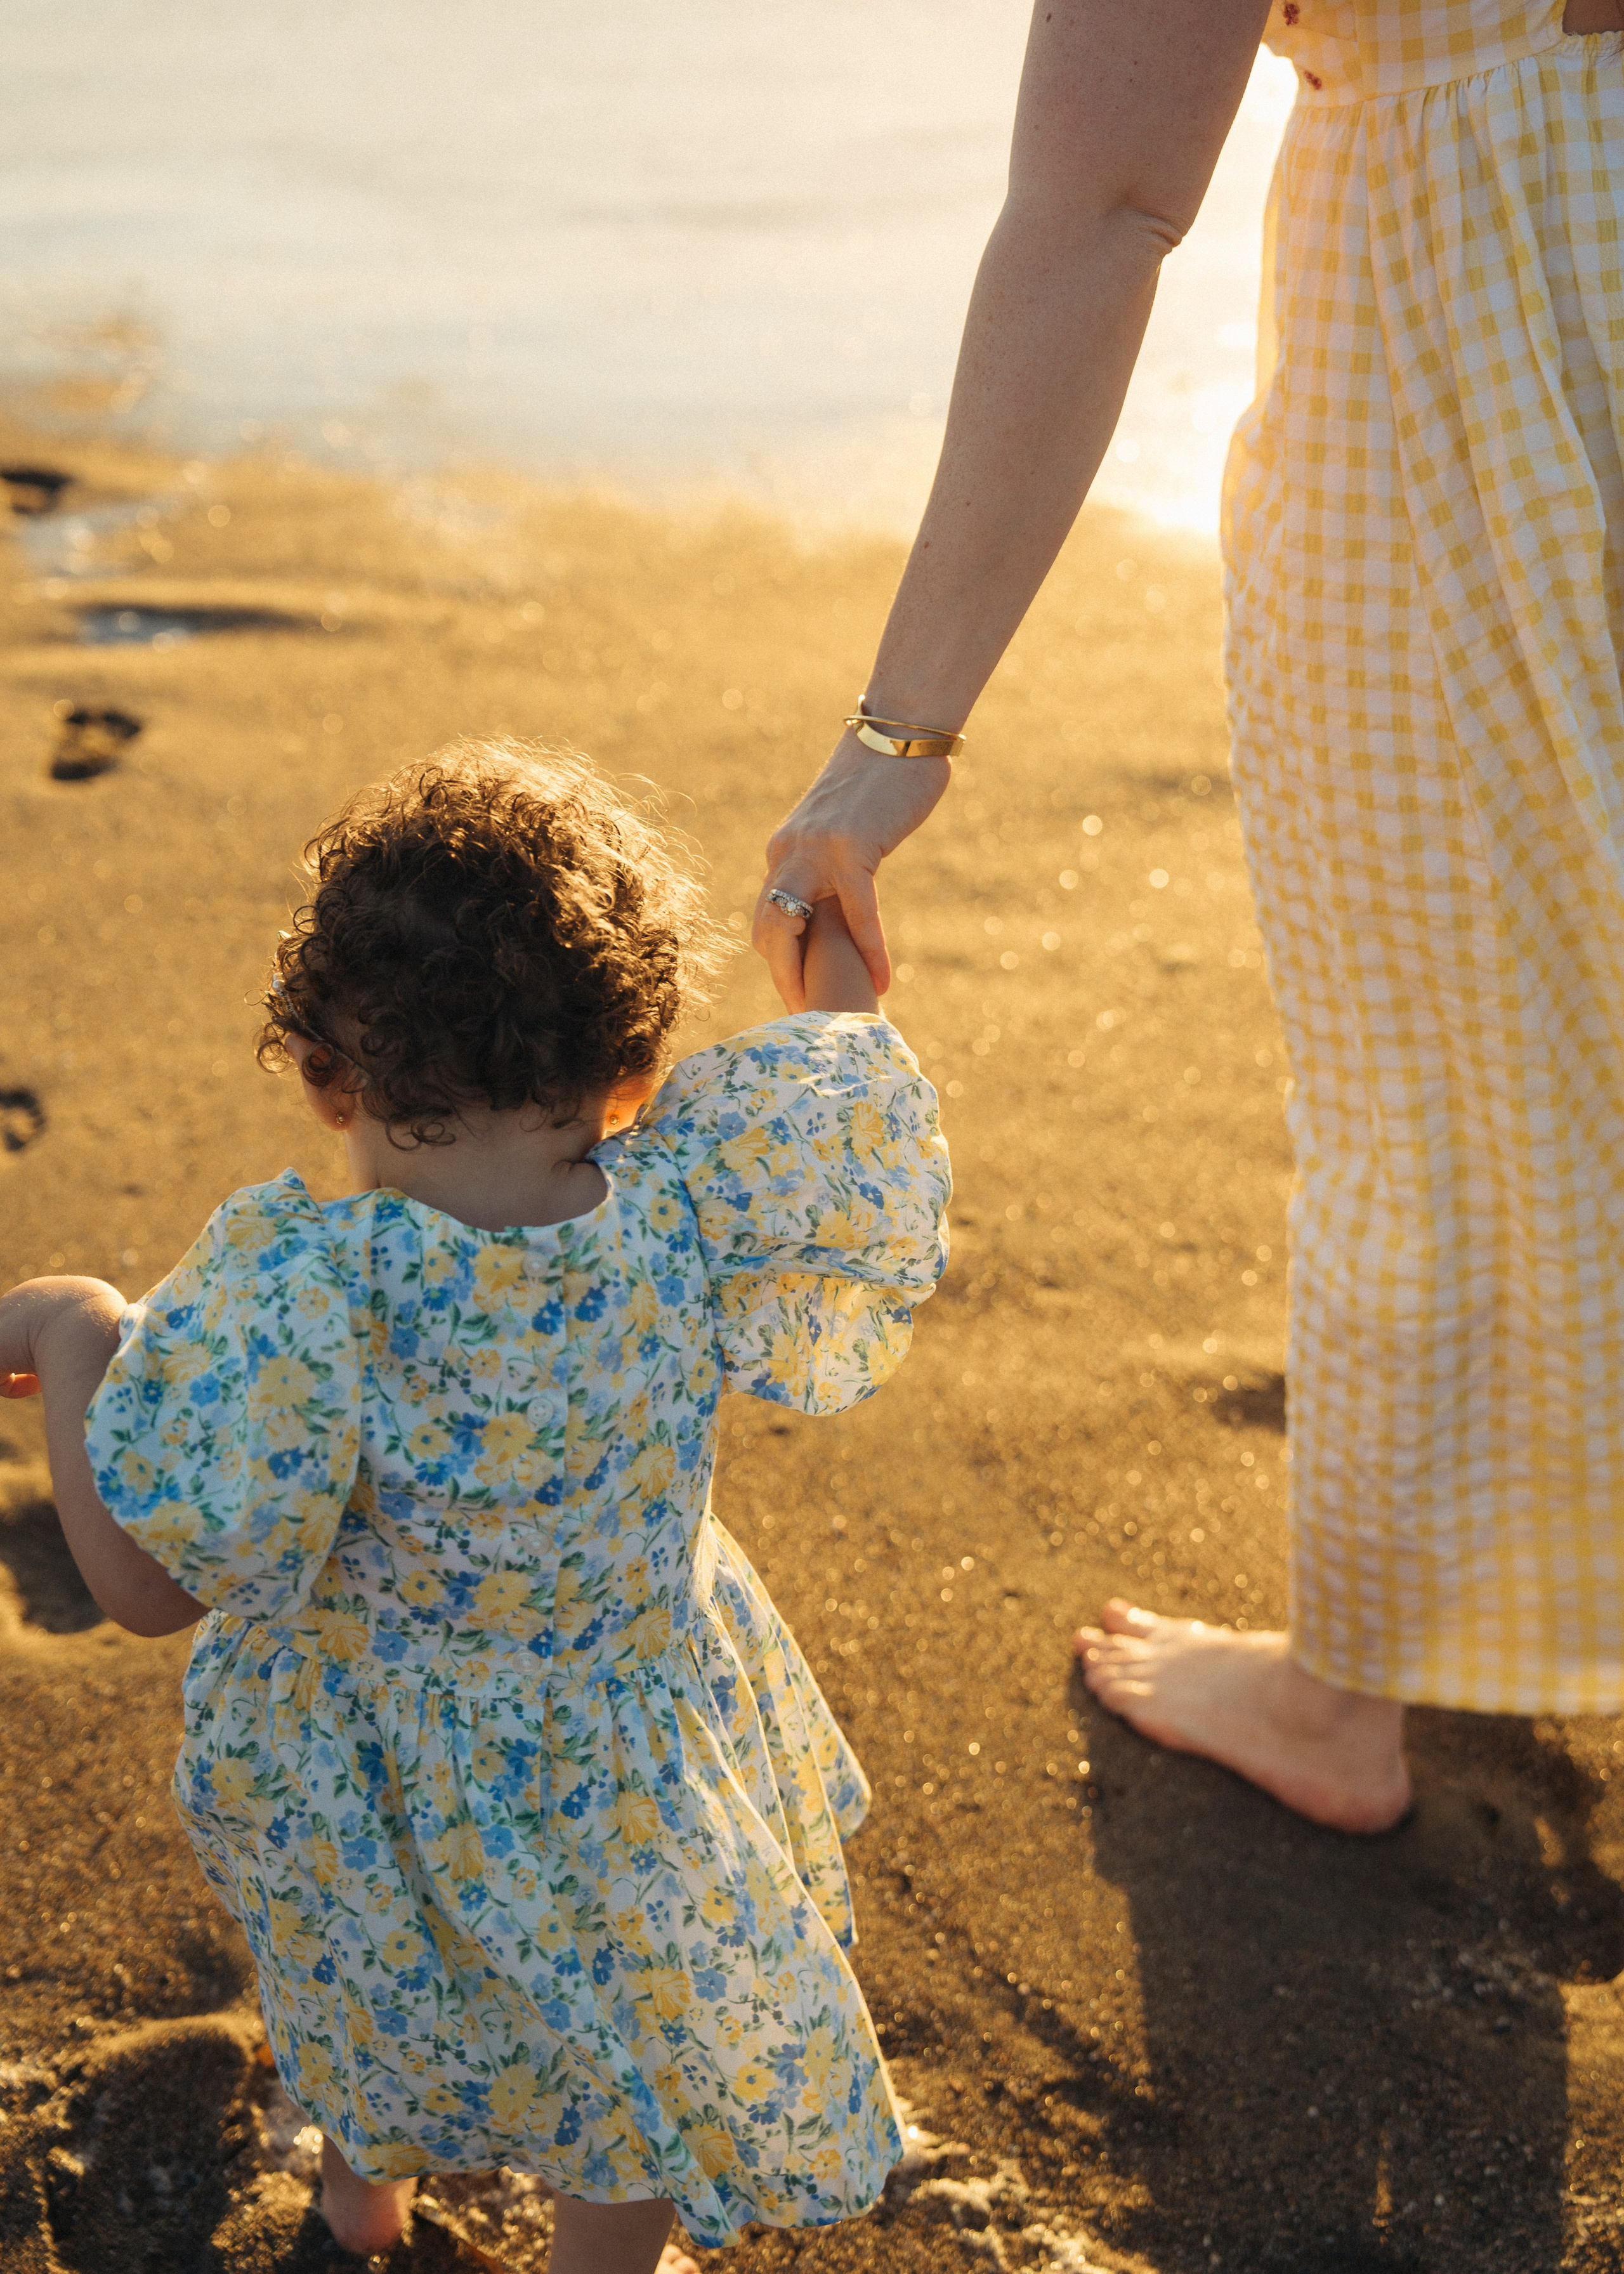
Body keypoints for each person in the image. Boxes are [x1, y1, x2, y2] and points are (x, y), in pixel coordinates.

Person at [755, 0, 1624, 1834]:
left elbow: (1104, 205)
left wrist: (896, 737)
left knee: (1444, 1069)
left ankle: (1341, 1698)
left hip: (1490, 335)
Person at [0, 746, 950, 2268]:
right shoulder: (694, 1200)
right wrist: (815, 899)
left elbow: (152, 1586)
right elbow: (838, 1067)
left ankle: (360, 2210)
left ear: (321, 1071)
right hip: (628, 1760)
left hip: (375, 1769)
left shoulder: (311, 1295)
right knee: (629, 2048)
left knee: (372, 1978)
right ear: (635, 1070)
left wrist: (74, 1333)